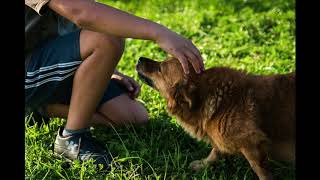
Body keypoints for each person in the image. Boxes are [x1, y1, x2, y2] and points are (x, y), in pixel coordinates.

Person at [25, 0, 204, 169]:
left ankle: (44, 108)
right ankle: (71, 138)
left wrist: (105, 69)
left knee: (133, 116)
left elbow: (81, 19)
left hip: (49, 60)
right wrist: (159, 33)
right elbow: (80, 13)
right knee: (107, 38)